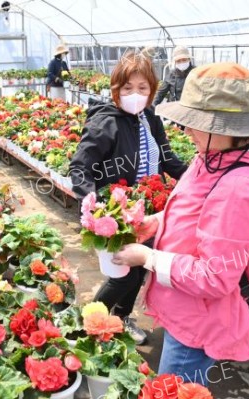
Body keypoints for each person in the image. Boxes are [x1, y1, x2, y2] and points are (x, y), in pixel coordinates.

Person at [111, 62, 249, 384]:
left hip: (199, 318)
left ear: (228, 127)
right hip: (185, 305)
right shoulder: (215, 156)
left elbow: (215, 277)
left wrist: (147, 258)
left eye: (196, 122)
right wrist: (155, 223)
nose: (185, 130)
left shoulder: (241, 189)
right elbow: (192, 210)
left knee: (175, 389)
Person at [69, 50, 188, 345]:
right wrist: (98, 208)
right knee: (124, 275)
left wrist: (198, 179)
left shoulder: (150, 118)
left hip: (144, 214)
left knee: (139, 270)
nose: (135, 94)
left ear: (151, 92)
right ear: (116, 89)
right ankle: (87, 328)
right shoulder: (105, 122)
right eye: (127, 88)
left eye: (143, 88)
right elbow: (80, 167)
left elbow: (168, 159)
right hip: (115, 217)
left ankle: (120, 320)